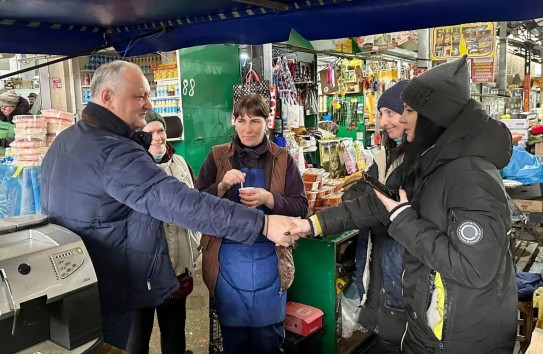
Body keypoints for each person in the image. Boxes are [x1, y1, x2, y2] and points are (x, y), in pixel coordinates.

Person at [40, 61, 300, 350]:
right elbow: (184, 203)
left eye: (148, 95)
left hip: (79, 282)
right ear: (107, 97)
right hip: (114, 288)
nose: (147, 104)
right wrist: (262, 223)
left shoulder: (66, 141)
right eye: (139, 96)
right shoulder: (115, 152)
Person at [291, 56, 517, 353]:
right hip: (428, 326)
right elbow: (378, 205)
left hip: (457, 339)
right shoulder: (431, 163)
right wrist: (309, 224)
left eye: (409, 110)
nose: (401, 118)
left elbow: (474, 269)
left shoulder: (470, 176)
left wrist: (404, 219)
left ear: (434, 117)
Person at [196, 94, 308, 354]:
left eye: (255, 121)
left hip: (270, 257)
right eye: (241, 120)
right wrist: (222, 186)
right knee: (233, 340)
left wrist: (270, 198)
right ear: (233, 121)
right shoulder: (217, 157)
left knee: (267, 340)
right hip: (227, 261)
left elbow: (301, 208)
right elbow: (197, 205)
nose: (248, 128)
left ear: (266, 122)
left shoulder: (282, 159)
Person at [341, 80, 409, 354]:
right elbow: (357, 192)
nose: (382, 122)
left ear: (411, 113)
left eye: (390, 113)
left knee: (403, 331)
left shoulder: (422, 160)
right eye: (381, 113)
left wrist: (373, 208)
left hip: (405, 268)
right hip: (381, 262)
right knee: (386, 329)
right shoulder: (383, 157)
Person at [126, 111, 199, 354]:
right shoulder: (131, 170)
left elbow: (195, 204)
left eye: (161, 131)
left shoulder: (179, 164)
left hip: (177, 268)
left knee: (175, 331)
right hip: (142, 272)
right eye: (150, 133)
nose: (158, 137)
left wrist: (194, 245)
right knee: (138, 336)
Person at [0, 92, 30, 157]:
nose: (2, 110)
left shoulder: (27, 119)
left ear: (14, 106)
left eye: (4, 107)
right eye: (0, 107)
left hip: (18, 157)